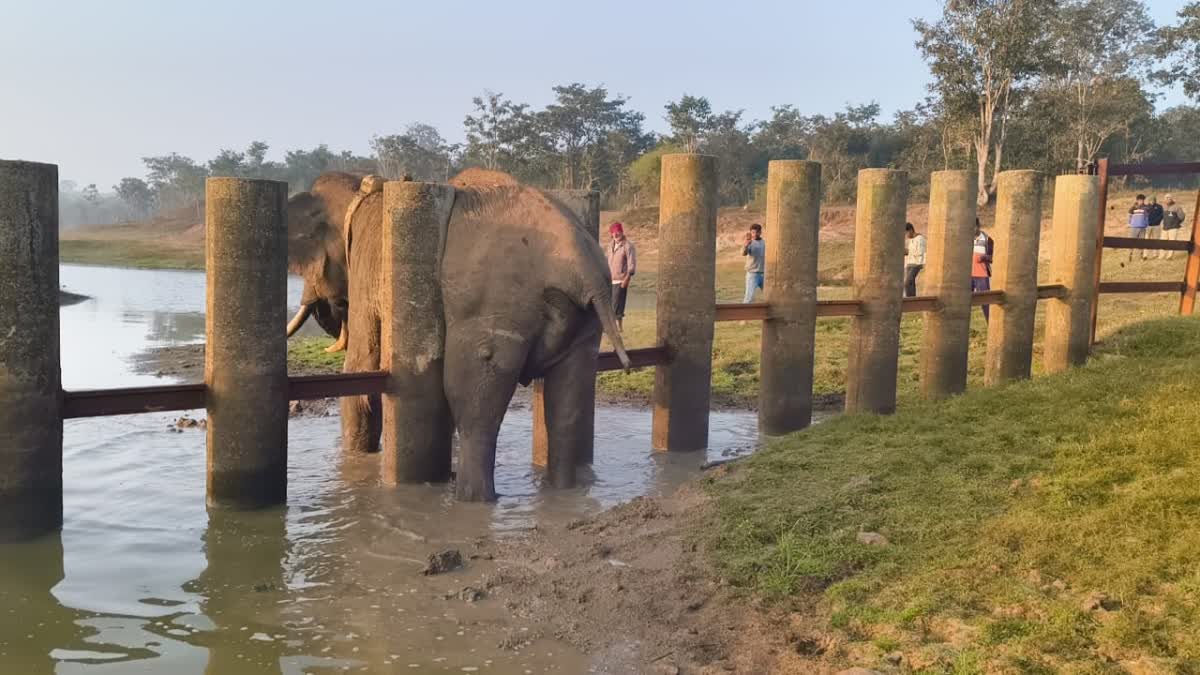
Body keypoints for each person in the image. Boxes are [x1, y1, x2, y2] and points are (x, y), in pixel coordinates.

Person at [607, 222, 636, 331]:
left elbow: (631, 263)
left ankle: (613, 328)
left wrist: (627, 278)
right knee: (615, 304)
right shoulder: (610, 245)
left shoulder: (628, 246)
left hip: (621, 280)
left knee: (616, 304)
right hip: (610, 279)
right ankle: (619, 327)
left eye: (617, 232)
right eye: (613, 233)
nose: (615, 235)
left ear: (622, 232)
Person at [972, 218, 994, 323]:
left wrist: (984, 258)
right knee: (962, 302)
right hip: (967, 276)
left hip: (981, 275)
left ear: (978, 225)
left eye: (973, 226)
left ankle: (990, 324)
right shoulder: (964, 239)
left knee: (986, 302)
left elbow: (993, 258)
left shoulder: (987, 239)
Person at [742, 223, 765, 303]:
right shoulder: (749, 242)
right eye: (752, 232)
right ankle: (743, 315)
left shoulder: (764, 243)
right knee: (749, 299)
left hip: (764, 274)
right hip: (752, 274)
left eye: (756, 232)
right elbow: (744, 253)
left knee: (772, 297)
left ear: (760, 232)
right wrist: (746, 245)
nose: (754, 234)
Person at [1161, 194, 1187, 260]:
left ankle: (1169, 256)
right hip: (1165, 227)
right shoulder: (1163, 207)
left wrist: (1176, 223)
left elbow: (1182, 217)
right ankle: (1161, 256)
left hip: (1173, 228)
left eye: (1169, 198)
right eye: (1166, 198)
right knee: (1162, 243)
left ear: (1171, 199)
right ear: (1164, 199)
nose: (1167, 199)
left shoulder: (1177, 207)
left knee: (1172, 242)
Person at [903, 222, 926, 298]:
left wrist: (908, 251)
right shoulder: (911, 240)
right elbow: (911, 252)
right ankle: (912, 299)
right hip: (909, 264)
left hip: (916, 264)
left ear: (910, 230)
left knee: (907, 283)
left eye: (906, 233)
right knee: (910, 283)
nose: (906, 236)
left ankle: (911, 300)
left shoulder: (920, 239)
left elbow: (920, 252)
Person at [1128, 194, 1150, 262]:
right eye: (1140, 200)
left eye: (1142, 200)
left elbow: (1146, 217)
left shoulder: (1146, 208)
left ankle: (1141, 256)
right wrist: (1129, 223)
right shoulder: (1133, 208)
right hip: (1134, 227)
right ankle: (1130, 255)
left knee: (1142, 243)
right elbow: (1129, 216)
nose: (1141, 201)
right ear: (1137, 200)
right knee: (1132, 242)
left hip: (1142, 228)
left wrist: (1146, 224)